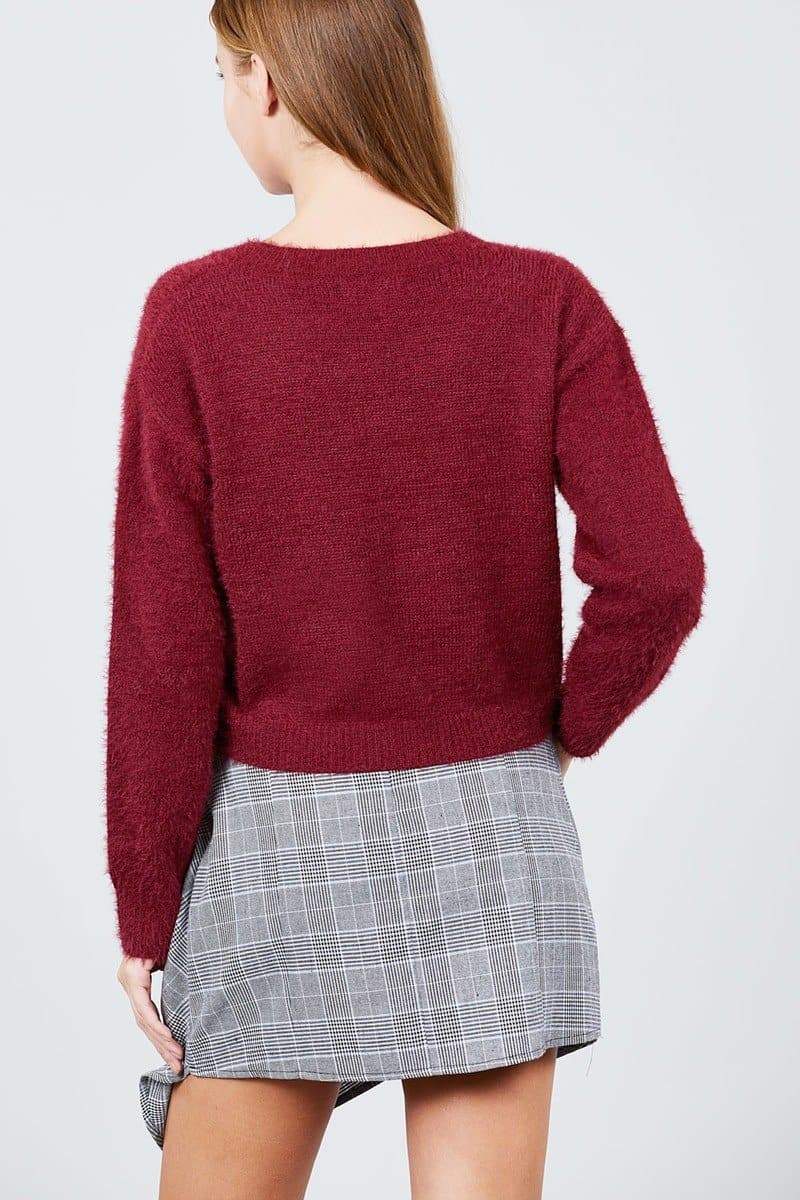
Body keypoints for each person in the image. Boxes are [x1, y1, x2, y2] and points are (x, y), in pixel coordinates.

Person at [105, 1, 705, 1196]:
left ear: (268, 82)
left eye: (223, 73)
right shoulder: (540, 299)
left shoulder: (197, 315)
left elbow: (165, 647)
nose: (226, 103)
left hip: (275, 845)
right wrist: (555, 736)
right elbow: (657, 575)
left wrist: (145, 903)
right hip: (493, 835)